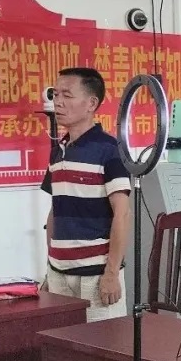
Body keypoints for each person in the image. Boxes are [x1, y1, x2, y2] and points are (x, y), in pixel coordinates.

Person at [40, 67, 131, 322]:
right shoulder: (58, 151)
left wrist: (111, 273)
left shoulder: (110, 149)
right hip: (59, 272)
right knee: (62, 341)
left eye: (67, 95)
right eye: (56, 94)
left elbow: (122, 214)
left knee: (104, 342)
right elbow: (55, 211)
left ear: (91, 103)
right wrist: (49, 268)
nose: (58, 102)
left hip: (96, 274)